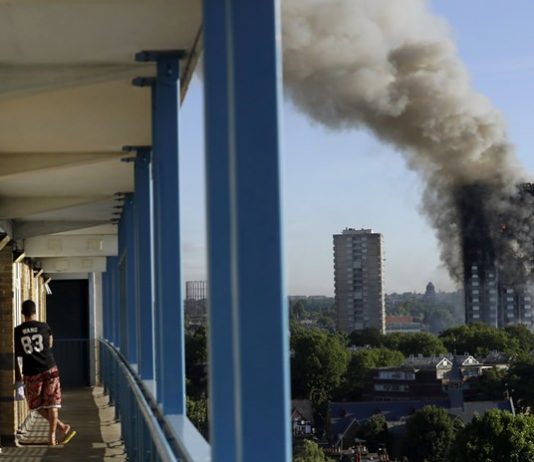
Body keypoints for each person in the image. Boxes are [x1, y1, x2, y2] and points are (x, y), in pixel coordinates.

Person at [14, 299, 76, 446]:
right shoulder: (44, 326)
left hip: (31, 372)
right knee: (52, 403)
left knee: (35, 405)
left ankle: (61, 428)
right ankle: (53, 436)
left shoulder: (18, 331)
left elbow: (17, 354)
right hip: (49, 368)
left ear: (22, 313)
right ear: (35, 311)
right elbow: (50, 344)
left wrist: (18, 376)